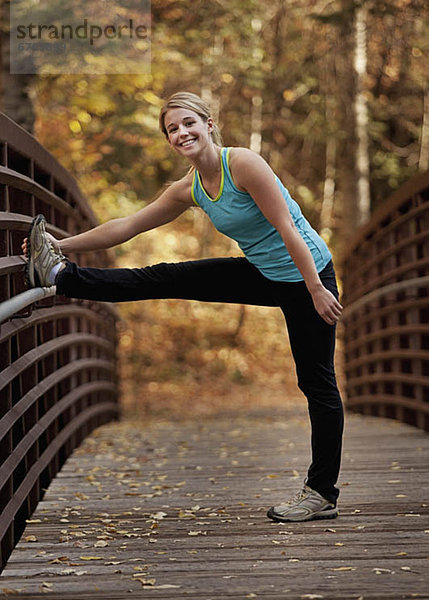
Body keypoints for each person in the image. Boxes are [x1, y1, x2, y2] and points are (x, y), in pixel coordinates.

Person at [23, 91, 344, 522]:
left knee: (317, 385)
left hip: (309, 276)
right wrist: (58, 244)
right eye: (172, 129)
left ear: (209, 124)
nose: (181, 133)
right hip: (264, 272)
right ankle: (61, 276)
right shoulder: (190, 187)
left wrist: (316, 289)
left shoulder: (243, 163)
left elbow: (288, 228)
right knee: (164, 276)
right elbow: (128, 226)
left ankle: (321, 493)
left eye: (188, 123)